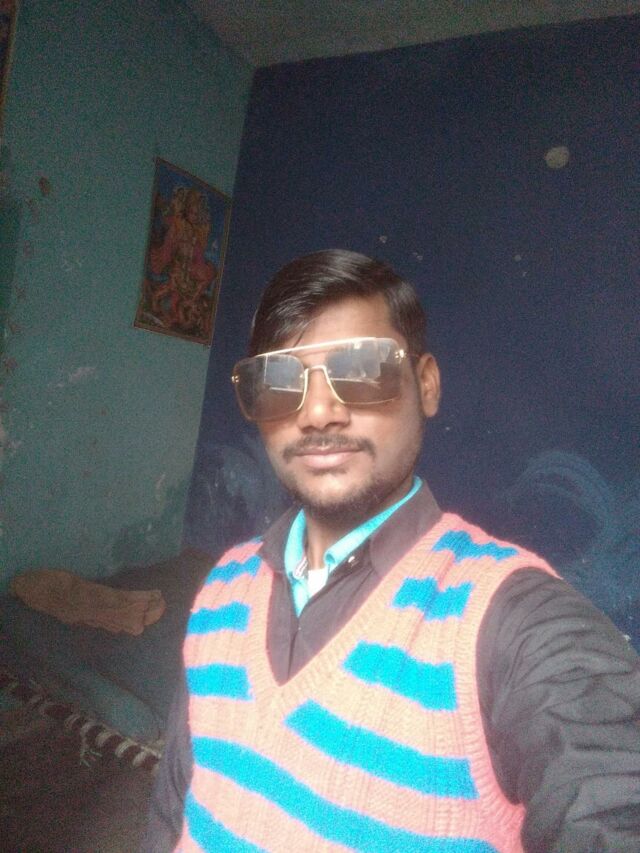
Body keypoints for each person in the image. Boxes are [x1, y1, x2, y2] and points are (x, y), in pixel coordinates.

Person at [143, 249, 640, 852]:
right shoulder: (223, 587)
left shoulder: (508, 621)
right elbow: (173, 808)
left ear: (425, 385)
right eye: (279, 382)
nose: (317, 412)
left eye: (362, 370)